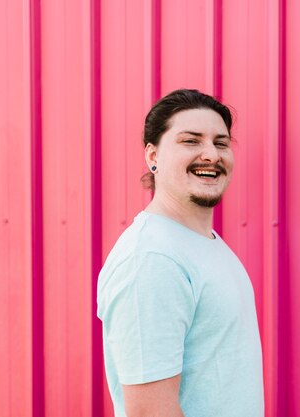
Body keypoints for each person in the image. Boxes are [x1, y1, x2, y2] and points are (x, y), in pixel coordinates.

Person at [97, 89, 264, 417]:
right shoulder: (151, 259)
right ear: (153, 156)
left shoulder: (203, 242)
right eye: (191, 141)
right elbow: (149, 413)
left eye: (220, 142)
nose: (211, 155)